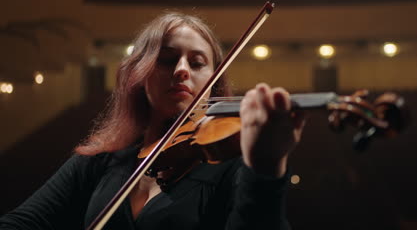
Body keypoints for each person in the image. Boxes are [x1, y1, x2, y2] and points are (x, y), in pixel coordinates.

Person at [0, 12, 306, 229]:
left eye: (197, 62)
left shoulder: (231, 167)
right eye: (167, 59)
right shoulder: (102, 161)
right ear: (141, 74)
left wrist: (266, 170)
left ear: (214, 82)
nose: (182, 70)